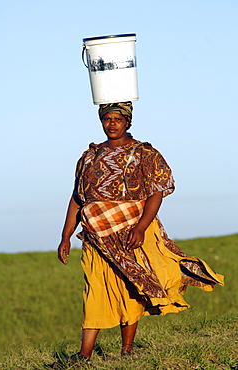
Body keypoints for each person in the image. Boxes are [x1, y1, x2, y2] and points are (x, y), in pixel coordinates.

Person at [53, 102, 224, 367]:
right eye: (107, 118)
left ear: (128, 122)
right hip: (95, 236)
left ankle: (127, 350)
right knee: (94, 289)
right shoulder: (89, 156)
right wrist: (66, 236)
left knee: (131, 287)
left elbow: (157, 190)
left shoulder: (144, 153)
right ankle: (84, 355)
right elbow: (77, 198)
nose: (112, 123)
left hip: (130, 232)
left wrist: (141, 228)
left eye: (117, 119)